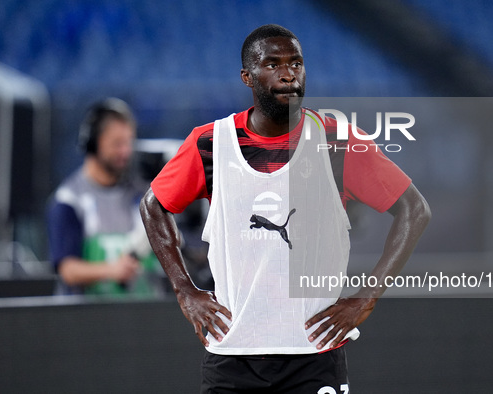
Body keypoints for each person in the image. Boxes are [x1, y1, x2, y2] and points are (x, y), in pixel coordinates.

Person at [140, 24, 431, 392]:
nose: (288, 72)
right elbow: (153, 206)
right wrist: (185, 291)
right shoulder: (210, 143)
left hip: (314, 353)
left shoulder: (337, 142)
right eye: (272, 63)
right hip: (232, 353)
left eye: (296, 62)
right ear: (247, 76)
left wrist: (365, 299)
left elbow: (415, 210)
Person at [47, 98, 161, 296]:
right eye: (117, 143)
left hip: (141, 317)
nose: (125, 152)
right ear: (93, 143)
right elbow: (67, 269)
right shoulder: (69, 199)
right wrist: (112, 270)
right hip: (91, 319)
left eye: (128, 142)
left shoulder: (143, 195)